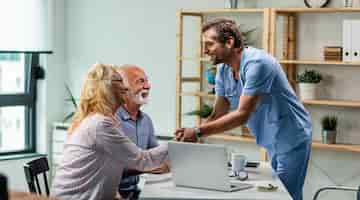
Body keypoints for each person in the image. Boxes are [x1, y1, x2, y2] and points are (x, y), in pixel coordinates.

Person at [175, 18, 312, 200]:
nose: (204, 50)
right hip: (272, 139)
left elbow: (242, 115)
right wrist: (192, 138)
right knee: (278, 194)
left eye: (209, 44)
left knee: (285, 196)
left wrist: (198, 131)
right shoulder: (223, 70)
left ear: (230, 42)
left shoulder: (258, 64)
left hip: (292, 137)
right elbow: (218, 113)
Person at [51, 63, 168, 200]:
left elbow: (106, 169)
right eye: (120, 81)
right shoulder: (100, 124)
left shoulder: (104, 120)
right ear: (107, 88)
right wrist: (176, 146)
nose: (125, 86)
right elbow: (142, 160)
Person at [115, 65, 170, 200]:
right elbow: (108, 168)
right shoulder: (110, 121)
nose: (147, 86)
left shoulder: (146, 120)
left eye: (147, 81)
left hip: (133, 191)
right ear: (123, 89)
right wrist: (145, 167)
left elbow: (156, 156)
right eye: (140, 81)